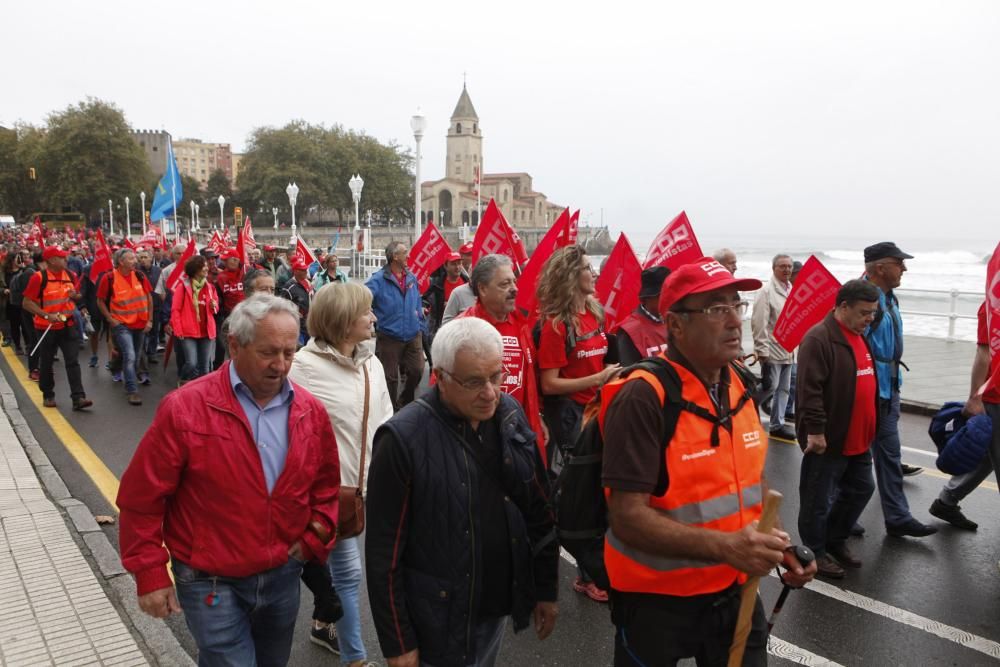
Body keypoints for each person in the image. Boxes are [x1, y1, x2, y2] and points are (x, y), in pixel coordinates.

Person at [601, 257, 815, 665]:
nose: (735, 321)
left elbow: (751, 482)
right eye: (717, 310)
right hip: (657, 603)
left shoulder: (739, 384)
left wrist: (779, 543)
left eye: (738, 306)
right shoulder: (643, 396)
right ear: (676, 325)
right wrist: (727, 547)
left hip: (736, 590)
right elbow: (627, 517)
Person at [117, 294, 341, 667]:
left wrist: (311, 540)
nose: (281, 365)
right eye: (269, 352)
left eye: (290, 352)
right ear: (234, 345)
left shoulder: (310, 412)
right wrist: (150, 572)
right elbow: (142, 497)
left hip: (282, 575)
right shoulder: (185, 408)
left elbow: (325, 488)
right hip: (210, 581)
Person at [366, 317, 558, 667]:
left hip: (495, 605)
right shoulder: (401, 440)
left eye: (496, 376)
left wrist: (545, 588)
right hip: (437, 621)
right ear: (439, 376)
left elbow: (538, 505)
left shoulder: (509, 413)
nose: (489, 393)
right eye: (473, 382)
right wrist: (398, 642)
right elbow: (383, 554)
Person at [289, 282, 394, 666]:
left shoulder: (373, 362)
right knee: (348, 573)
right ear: (342, 320)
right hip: (325, 492)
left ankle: (322, 623)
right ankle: (356, 658)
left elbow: (385, 421)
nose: (373, 317)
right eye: (365, 312)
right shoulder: (301, 367)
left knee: (331, 572)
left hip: (363, 490)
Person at [536, 244, 620, 602]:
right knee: (582, 495)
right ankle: (587, 574)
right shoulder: (556, 326)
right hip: (571, 415)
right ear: (572, 276)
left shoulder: (595, 313)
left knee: (601, 490)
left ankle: (598, 565)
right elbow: (549, 383)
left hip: (597, 411)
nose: (595, 273)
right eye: (588, 267)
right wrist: (597, 380)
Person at [795, 280, 880, 579]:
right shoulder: (819, 339)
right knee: (817, 499)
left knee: (862, 489)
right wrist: (815, 432)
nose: (870, 318)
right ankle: (814, 552)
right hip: (829, 439)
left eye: (873, 312)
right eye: (864, 312)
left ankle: (834, 539)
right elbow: (809, 390)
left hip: (859, 438)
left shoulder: (859, 334)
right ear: (843, 307)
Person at [863, 241, 936, 537]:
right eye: (899, 262)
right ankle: (836, 518)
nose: (904, 268)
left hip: (889, 390)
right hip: (867, 392)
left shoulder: (890, 298)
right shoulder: (864, 298)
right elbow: (852, 345)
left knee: (889, 456)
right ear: (880, 267)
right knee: (848, 460)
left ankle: (897, 516)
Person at [459, 253, 546, 452]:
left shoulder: (521, 325)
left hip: (519, 433)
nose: (514, 289)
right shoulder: (463, 329)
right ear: (482, 288)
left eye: (514, 281)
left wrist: (536, 417)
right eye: (505, 284)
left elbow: (530, 379)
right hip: (479, 436)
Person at [927, 301, 992, 531]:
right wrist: (975, 397)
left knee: (988, 454)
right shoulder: (993, 304)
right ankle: (946, 500)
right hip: (995, 394)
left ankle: (946, 501)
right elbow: (983, 353)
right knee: (988, 452)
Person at [21, 246, 92, 410]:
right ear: (52, 260)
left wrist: (76, 296)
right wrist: (46, 315)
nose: (66, 259)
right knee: (46, 362)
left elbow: (77, 296)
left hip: (68, 325)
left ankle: (78, 398)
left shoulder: (71, 275)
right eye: (61, 257)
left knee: (73, 361)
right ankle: (48, 395)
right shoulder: (39, 278)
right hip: (46, 327)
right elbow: (27, 303)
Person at [366, 242, 425, 409]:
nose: (408, 255)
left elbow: (417, 301)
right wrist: (367, 314)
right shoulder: (378, 279)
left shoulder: (411, 277)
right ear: (395, 257)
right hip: (389, 337)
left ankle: (404, 401)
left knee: (417, 370)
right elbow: (363, 297)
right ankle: (390, 410)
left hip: (413, 334)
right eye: (405, 252)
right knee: (390, 378)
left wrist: (420, 319)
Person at [96, 249, 153, 406]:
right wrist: (110, 319)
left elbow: (149, 298)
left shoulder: (140, 276)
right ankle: (132, 390)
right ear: (121, 262)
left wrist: (150, 320)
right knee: (130, 355)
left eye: (134, 258)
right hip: (122, 324)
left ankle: (118, 368)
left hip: (140, 323)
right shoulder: (109, 278)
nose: (135, 261)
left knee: (133, 356)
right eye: (131, 258)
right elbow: (100, 301)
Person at [751, 253, 796, 439]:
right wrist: (761, 349)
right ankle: (747, 407)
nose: (786, 270)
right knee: (771, 386)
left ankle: (777, 425)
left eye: (789, 266)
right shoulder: (766, 291)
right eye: (782, 266)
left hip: (789, 348)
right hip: (772, 347)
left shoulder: (792, 289)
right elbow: (758, 322)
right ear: (774, 268)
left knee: (785, 388)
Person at [170, 255, 220, 382]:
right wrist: (178, 329)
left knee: (205, 368)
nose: (206, 268)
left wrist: (213, 306)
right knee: (192, 364)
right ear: (195, 269)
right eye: (203, 266)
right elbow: (175, 310)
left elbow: (215, 310)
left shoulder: (210, 288)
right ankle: (183, 377)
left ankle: (201, 392)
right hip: (188, 332)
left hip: (207, 332)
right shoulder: (183, 287)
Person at [616, 266, 671, 365]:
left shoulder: (676, 321)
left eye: (670, 293)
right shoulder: (629, 331)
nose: (668, 299)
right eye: (662, 295)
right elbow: (629, 374)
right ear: (647, 298)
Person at [424, 252, 468, 337]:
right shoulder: (436, 285)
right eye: (453, 264)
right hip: (444, 330)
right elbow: (425, 301)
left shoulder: (468, 282)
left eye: (459, 263)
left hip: (464, 329)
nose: (457, 267)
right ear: (445, 266)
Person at [280, 256, 314, 346]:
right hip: (297, 328)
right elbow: (282, 307)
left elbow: (313, 298)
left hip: (310, 326)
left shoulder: (308, 282)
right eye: (302, 270)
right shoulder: (288, 287)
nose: (306, 271)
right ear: (295, 271)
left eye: (306, 269)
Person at [216, 248, 246, 318]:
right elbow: (219, 297)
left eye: (226, 260)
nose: (224, 262)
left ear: (236, 260)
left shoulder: (245, 272)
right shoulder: (220, 277)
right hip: (229, 315)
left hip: (246, 313)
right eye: (224, 260)